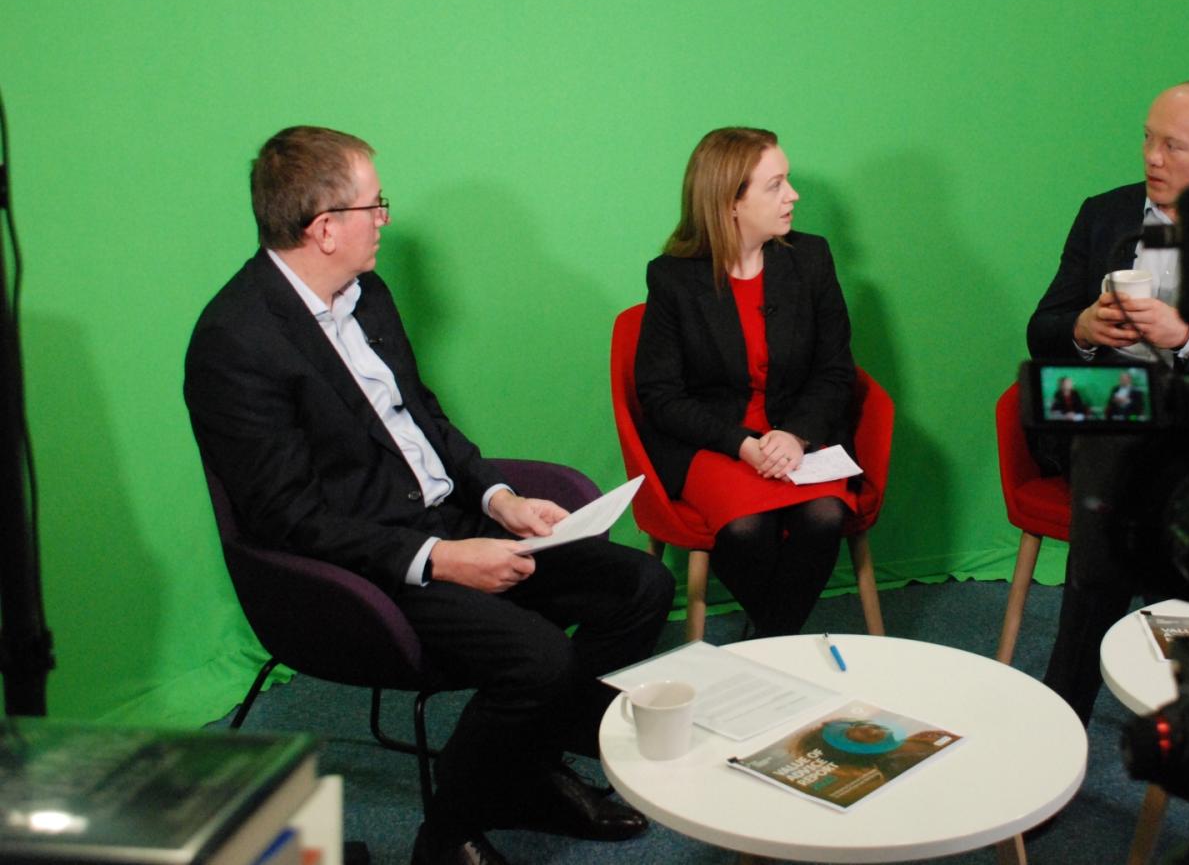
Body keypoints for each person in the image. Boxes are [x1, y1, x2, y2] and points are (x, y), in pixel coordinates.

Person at [184, 127, 674, 865]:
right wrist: (440, 557)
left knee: (639, 583)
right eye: (374, 204)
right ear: (324, 228)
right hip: (369, 563)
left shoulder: (366, 293)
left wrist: (499, 497)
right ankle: (444, 833)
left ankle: (521, 769)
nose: (385, 217)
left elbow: (423, 417)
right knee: (538, 660)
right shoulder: (236, 341)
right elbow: (287, 519)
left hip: (448, 517)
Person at [1026, 80, 1189, 724]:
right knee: (1117, 477)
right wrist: (1084, 329)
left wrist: (1188, 337)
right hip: (1113, 412)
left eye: (1173, 145)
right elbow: (1042, 328)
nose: (1152, 157)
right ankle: (1062, 718)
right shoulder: (1105, 213)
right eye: (1148, 138)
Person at [634, 127, 863, 639]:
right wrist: (740, 443)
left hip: (796, 435)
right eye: (776, 185)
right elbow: (661, 394)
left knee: (824, 515)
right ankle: (784, 648)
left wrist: (796, 433)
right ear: (729, 202)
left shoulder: (811, 258)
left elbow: (835, 369)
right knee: (745, 529)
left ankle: (764, 646)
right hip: (714, 442)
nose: (793, 195)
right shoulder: (673, 277)